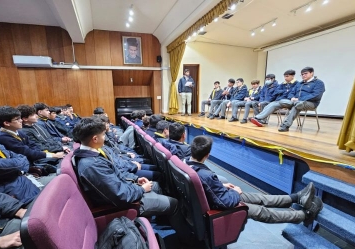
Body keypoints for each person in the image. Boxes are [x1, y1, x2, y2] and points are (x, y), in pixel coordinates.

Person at [71, 117, 191, 238]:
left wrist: (135, 179)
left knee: (159, 186)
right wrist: (142, 189)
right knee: (174, 204)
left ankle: (165, 218)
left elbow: (117, 173)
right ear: (95, 139)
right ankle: (186, 240)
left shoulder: (95, 153)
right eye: (103, 135)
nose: (105, 137)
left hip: (129, 188)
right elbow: (120, 195)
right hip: (127, 203)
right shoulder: (91, 165)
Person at [187, 135, 323, 224]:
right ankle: (305, 215)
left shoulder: (187, 163)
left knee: (260, 198)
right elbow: (225, 202)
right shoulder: (205, 175)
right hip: (221, 206)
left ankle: (296, 198)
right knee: (263, 212)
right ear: (208, 154)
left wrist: (224, 186)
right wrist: (236, 192)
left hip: (220, 195)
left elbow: (211, 189)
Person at [252, 67, 325, 132]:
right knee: (277, 103)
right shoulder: (300, 84)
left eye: (305, 74)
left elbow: (316, 95)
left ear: (312, 73)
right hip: (295, 101)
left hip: (310, 103)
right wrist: (292, 97)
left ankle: (285, 125)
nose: (303, 75)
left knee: (297, 105)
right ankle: (258, 118)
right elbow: (291, 93)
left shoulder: (318, 83)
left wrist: (299, 99)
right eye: (302, 74)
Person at [0, 106, 64, 164]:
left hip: (36, 159)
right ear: (7, 123)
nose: (21, 121)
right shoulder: (2, 137)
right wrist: (53, 155)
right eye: (17, 119)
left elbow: (33, 146)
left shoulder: (18, 132)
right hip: (28, 166)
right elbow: (27, 152)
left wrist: (46, 153)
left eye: (20, 118)